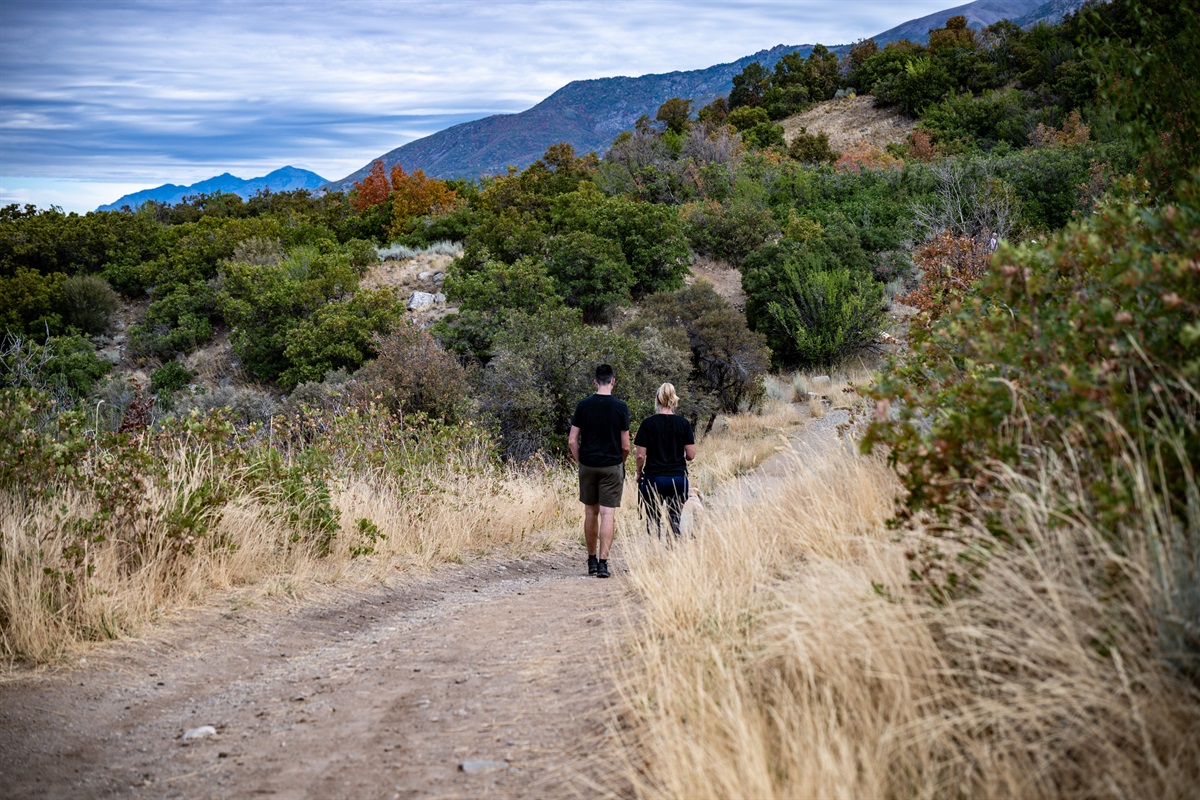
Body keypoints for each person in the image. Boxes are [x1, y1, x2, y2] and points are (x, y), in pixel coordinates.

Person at [568, 364, 630, 578]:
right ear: (613, 381)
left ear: (595, 381)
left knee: (590, 512)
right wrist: (620, 463)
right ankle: (604, 563)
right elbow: (626, 446)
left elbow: (572, 440)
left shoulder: (583, 405)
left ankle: (591, 560)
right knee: (607, 513)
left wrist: (580, 461)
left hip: (588, 465)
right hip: (611, 466)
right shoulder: (620, 407)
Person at [634, 383, 696, 540]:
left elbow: (640, 456)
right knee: (674, 519)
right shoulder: (683, 424)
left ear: (657, 400)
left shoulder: (648, 423)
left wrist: (639, 472)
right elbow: (691, 454)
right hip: (677, 478)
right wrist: (680, 456)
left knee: (653, 519)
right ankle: (672, 553)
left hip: (654, 478)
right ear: (674, 400)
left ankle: (655, 554)